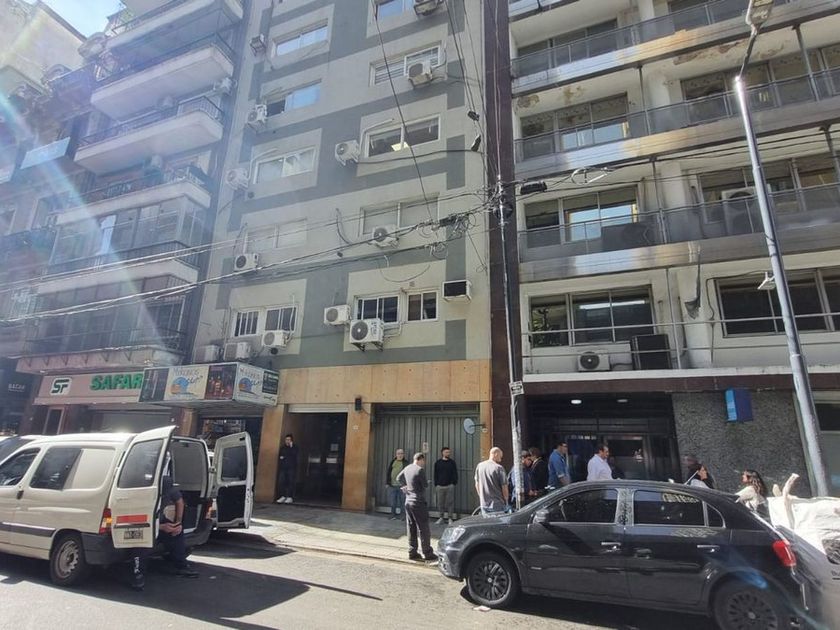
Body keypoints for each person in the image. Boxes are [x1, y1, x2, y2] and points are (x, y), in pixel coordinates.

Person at [131, 475, 198, 590]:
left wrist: (178, 522)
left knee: (177, 533)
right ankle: (138, 575)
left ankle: (182, 566)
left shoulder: (167, 486)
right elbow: (135, 520)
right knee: (142, 541)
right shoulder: (142, 493)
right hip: (142, 523)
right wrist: (161, 527)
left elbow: (179, 501)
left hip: (159, 521)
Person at [396, 453, 438, 562]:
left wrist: (405, 486)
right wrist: (426, 482)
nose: (424, 463)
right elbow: (425, 485)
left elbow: (398, 478)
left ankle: (412, 552)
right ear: (420, 459)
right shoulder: (420, 470)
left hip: (408, 501)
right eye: (423, 461)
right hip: (418, 502)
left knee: (411, 527)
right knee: (423, 528)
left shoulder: (407, 468)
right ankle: (427, 553)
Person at [474, 447, 508, 514]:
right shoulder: (499, 468)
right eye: (500, 456)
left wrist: (481, 497)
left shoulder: (480, 466)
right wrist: (506, 501)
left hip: (484, 504)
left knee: (487, 520)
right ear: (496, 454)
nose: (501, 459)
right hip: (497, 504)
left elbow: (477, 484)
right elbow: (504, 487)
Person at [433, 446, 458, 524]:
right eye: (446, 452)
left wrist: (453, 483)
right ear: (442, 453)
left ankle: (450, 518)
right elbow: (435, 474)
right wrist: (436, 484)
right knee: (440, 503)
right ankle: (441, 518)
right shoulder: (438, 463)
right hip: (440, 486)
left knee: (450, 503)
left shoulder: (452, 463)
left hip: (450, 486)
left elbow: (455, 473)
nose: (448, 453)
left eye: (449, 452)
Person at [385, 448, 408, 520]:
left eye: (401, 453)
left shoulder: (406, 463)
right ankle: (393, 515)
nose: (400, 455)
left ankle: (403, 516)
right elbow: (389, 472)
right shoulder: (393, 462)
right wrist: (387, 483)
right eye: (398, 453)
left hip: (402, 486)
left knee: (403, 501)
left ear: (403, 455)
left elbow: (408, 474)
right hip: (392, 485)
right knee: (392, 501)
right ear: (396, 454)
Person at [276, 434, 299, 504]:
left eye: (289, 440)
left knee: (290, 482)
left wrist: (291, 447)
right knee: (281, 482)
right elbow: (280, 456)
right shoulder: (283, 448)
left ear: (291, 440)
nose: (287, 441)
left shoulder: (295, 448)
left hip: (291, 468)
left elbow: (295, 455)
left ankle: (289, 497)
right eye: (286, 440)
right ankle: (282, 496)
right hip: (283, 468)